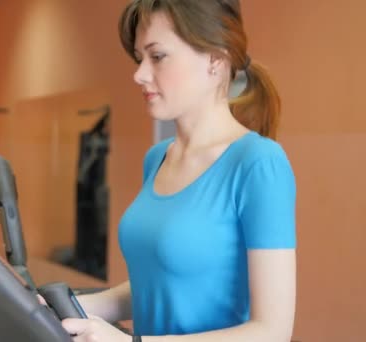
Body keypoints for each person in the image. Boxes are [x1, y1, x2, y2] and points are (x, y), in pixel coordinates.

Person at [61, 1, 296, 341]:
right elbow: (160, 281)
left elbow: (272, 332)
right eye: (139, 57)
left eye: (157, 57)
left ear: (216, 59)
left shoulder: (259, 163)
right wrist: (69, 306)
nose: (139, 74)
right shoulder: (158, 157)